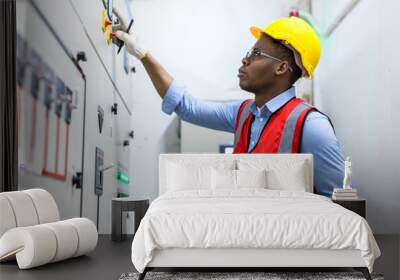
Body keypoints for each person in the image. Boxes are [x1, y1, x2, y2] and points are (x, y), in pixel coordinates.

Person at [112, 9, 345, 197]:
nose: (245, 59)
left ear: (282, 67)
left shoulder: (311, 125)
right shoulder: (243, 114)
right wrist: (142, 54)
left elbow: (338, 205)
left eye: (257, 54)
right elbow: (186, 106)